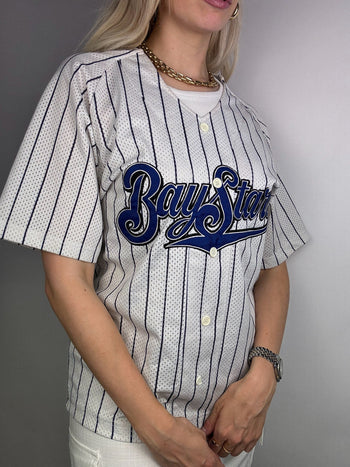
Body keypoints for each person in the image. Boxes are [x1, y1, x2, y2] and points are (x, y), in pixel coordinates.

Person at [0, 0, 309, 466]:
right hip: (124, 435)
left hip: (230, 428)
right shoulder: (90, 86)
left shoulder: (250, 127)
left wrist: (263, 374)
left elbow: (272, 268)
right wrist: (155, 426)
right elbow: (66, 281)